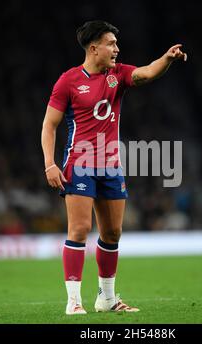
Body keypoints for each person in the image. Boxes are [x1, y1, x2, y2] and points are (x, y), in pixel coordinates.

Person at [41, 20, 187, 315]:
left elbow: (146, 74)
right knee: (80, 229)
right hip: (79, 164)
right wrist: (49, 164)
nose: (116, 49)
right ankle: (73, 302)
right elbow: (49, 125)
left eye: (116, 44)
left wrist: (167, 59)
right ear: (94, 48)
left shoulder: (118, 74)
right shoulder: (68, 81)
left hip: (111, 165)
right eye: (111, 43)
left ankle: (106, 299)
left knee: (112, 233)